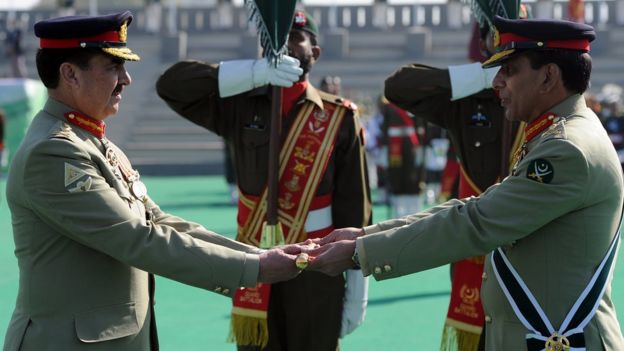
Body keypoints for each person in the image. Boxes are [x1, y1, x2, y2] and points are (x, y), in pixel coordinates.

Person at [305, 16, 624, 350]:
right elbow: (477, 208)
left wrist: (361, 252)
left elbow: (477, 222)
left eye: (510, 70)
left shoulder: (565, 148)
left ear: (548, 76)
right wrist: (366, 235)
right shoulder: (557, 135)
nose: (497, 82)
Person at [3, 12, 302, 351]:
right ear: (69, 74)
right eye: (113, 67)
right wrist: (256, 268)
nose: (126, 79)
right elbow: (138, 238)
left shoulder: (94, 143)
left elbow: (158, 222)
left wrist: (257, 255)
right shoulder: (54, 151)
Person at [156, 10, 372, 351]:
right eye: (276, 38)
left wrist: (358, 287)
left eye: (295, 37)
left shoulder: (337, 117)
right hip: (255, 258)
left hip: (316, 264)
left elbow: (354, 205)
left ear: (315, 52)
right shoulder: (241, 105)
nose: (285, 45)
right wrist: (253, 73)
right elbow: (171, 86)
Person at [383, 7, 529, 349]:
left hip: (527, 242)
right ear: (481, 42)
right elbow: (398, 87)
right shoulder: (466, 98)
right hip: (475, 242)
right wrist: (479, 77)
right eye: (494, 35)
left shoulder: (541, 95)